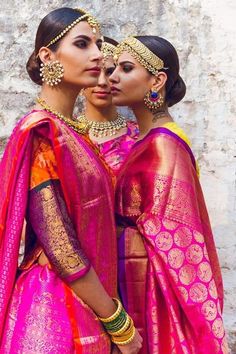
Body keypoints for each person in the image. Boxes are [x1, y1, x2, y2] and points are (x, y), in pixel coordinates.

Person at [0, 9, 142, 353]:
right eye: (82, 44)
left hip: (88, 299)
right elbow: (61, 248)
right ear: (48, 56)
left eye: (96, 43)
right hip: (52, 305)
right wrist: (119, 324)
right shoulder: (43, 133)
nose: (96, 54)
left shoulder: (74, 132)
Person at [109, 36, 228, 353]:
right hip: (129, 275)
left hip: (150, 287)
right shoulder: (143, 139)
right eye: (113, 69)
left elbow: (179, 240)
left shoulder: (164, 146)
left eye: (126, 68)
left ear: (157, 80)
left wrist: (205, 321)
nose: (113, 77)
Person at [79, 37, 139, 175]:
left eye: (109, 72)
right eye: (94, 71)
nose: (102, 82)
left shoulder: (139, 137)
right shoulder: (66, 134)